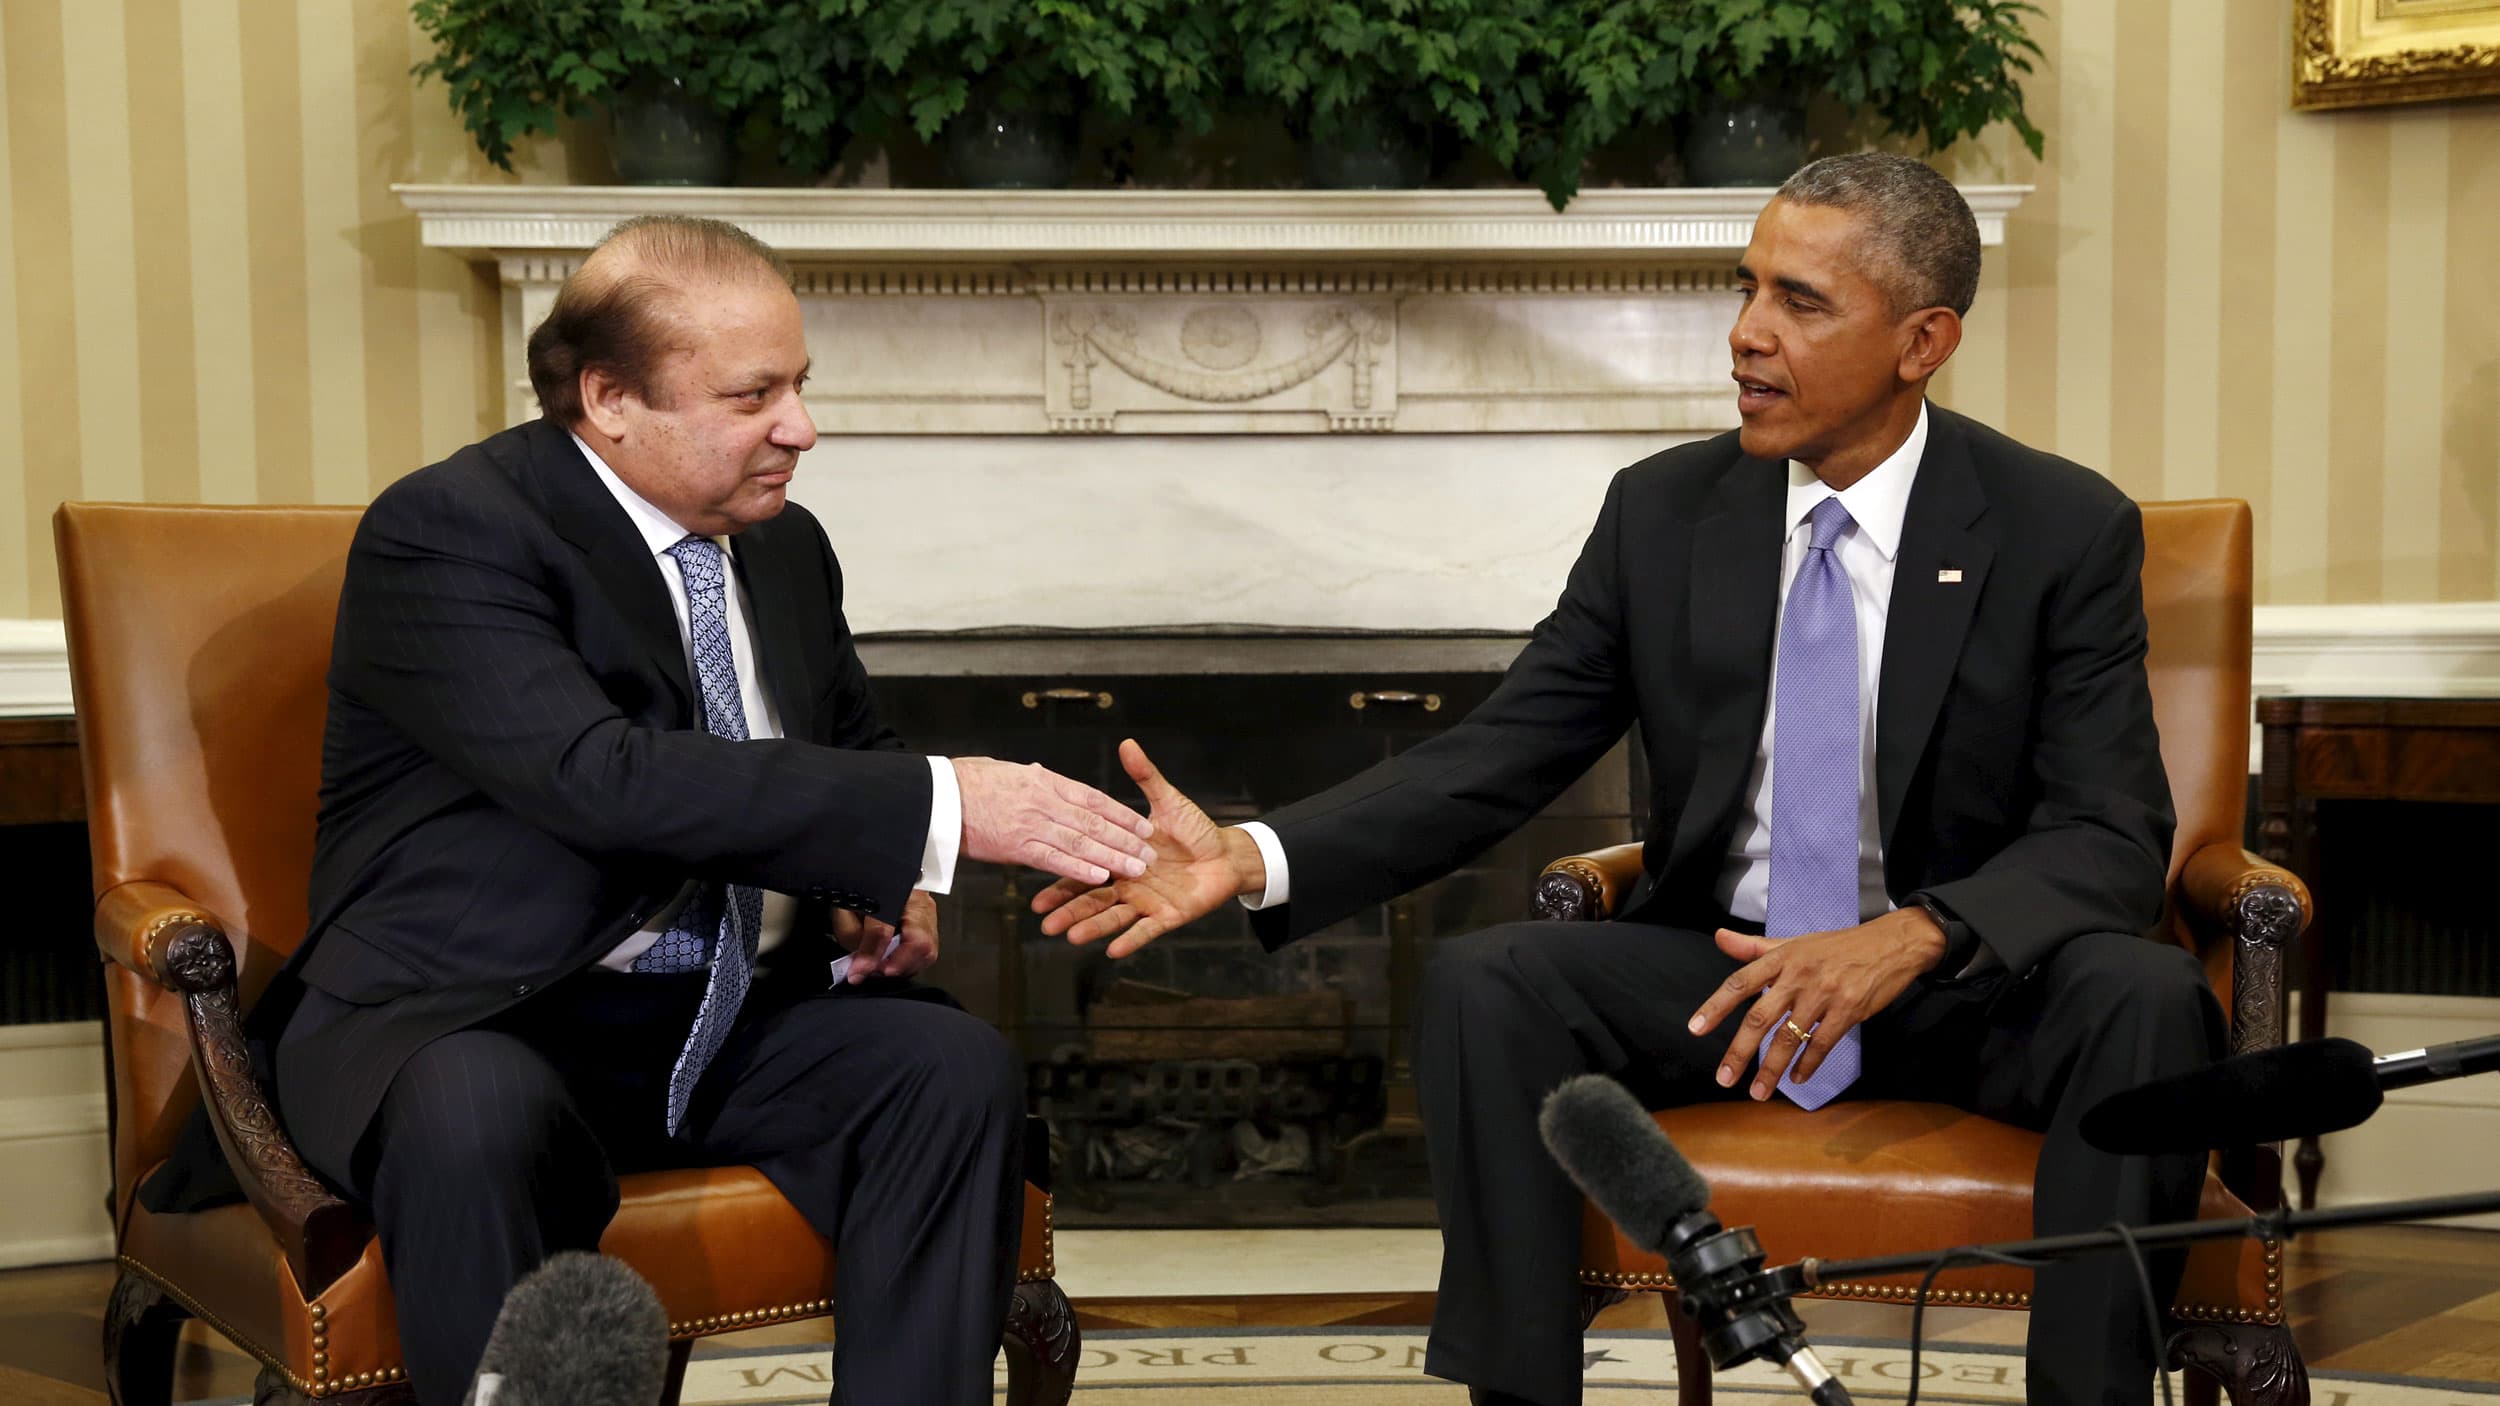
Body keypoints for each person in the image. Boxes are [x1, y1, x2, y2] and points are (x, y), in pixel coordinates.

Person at [1035, 153, 2222, 1406]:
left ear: (1922, 340)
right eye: (1748, 287)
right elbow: (1501, 751)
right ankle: (1521, 1391)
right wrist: (1248, 853)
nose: (1746, 335)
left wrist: (1912, 935)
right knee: (1488, 981)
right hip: (1729, 972)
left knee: (2141, 993)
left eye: (1801, 303)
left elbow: (2110, 829)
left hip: (1964, 986)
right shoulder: (1665, 513)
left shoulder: (2055, 526)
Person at [265, 214, 1159, 1406]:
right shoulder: (455, 530)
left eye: (799, 384)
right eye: (753, 395)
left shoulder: (785, 548)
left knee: (947, 1066)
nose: (800, 425)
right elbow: (602, 775)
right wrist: (943, 800)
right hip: (489, 1009)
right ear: (609, 397)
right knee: (474, 1109)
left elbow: (850, 748)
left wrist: (879, 886)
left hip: (727, 1016)